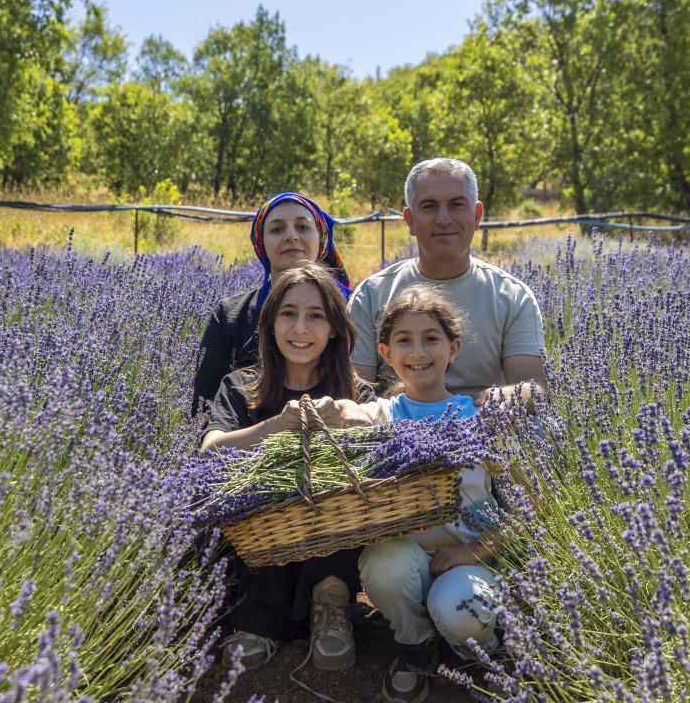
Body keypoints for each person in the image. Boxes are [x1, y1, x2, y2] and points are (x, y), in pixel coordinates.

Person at [200, 263, 374, 673]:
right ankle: (260, 618)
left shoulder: (356, 392)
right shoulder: (241, 386)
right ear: (270, 324)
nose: (300, 328)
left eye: (316, 316)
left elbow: (385, 461)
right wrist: (275, 426)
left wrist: (353, 423)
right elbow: (209, 452)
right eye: (288, 314)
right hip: (262, 548)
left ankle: (330, 603)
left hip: (334, 545)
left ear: (334, 328)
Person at [353, 286, 501, 703]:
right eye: (404, 340)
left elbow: (534, 502)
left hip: (473, 555)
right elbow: (348, 415)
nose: (418, 351)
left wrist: (475, 553)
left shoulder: (480, 417)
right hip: (408, 558)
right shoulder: (381, 415)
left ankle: (477, 652)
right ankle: (415, 644)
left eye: (431, 338)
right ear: (385, 353)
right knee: (383, 565)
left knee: (462, 610)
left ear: (453, 348)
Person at [347, 158, 545, 403]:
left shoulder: (512, 296)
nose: (444, 219)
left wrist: (483, 406)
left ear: (477, 215)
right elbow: (357, 391)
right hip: (394, 430)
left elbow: (533, 388)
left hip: (486, 428)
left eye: (457, 205)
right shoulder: (371, 295)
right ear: (410, 220)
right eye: (429, 206)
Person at [192, 191, 351, 417]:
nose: (291, 236)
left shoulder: (349, 308)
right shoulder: (231, 314)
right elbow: (202, 405)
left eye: (303, 227)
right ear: (262, 243)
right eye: (277, 229)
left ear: (321, 238)